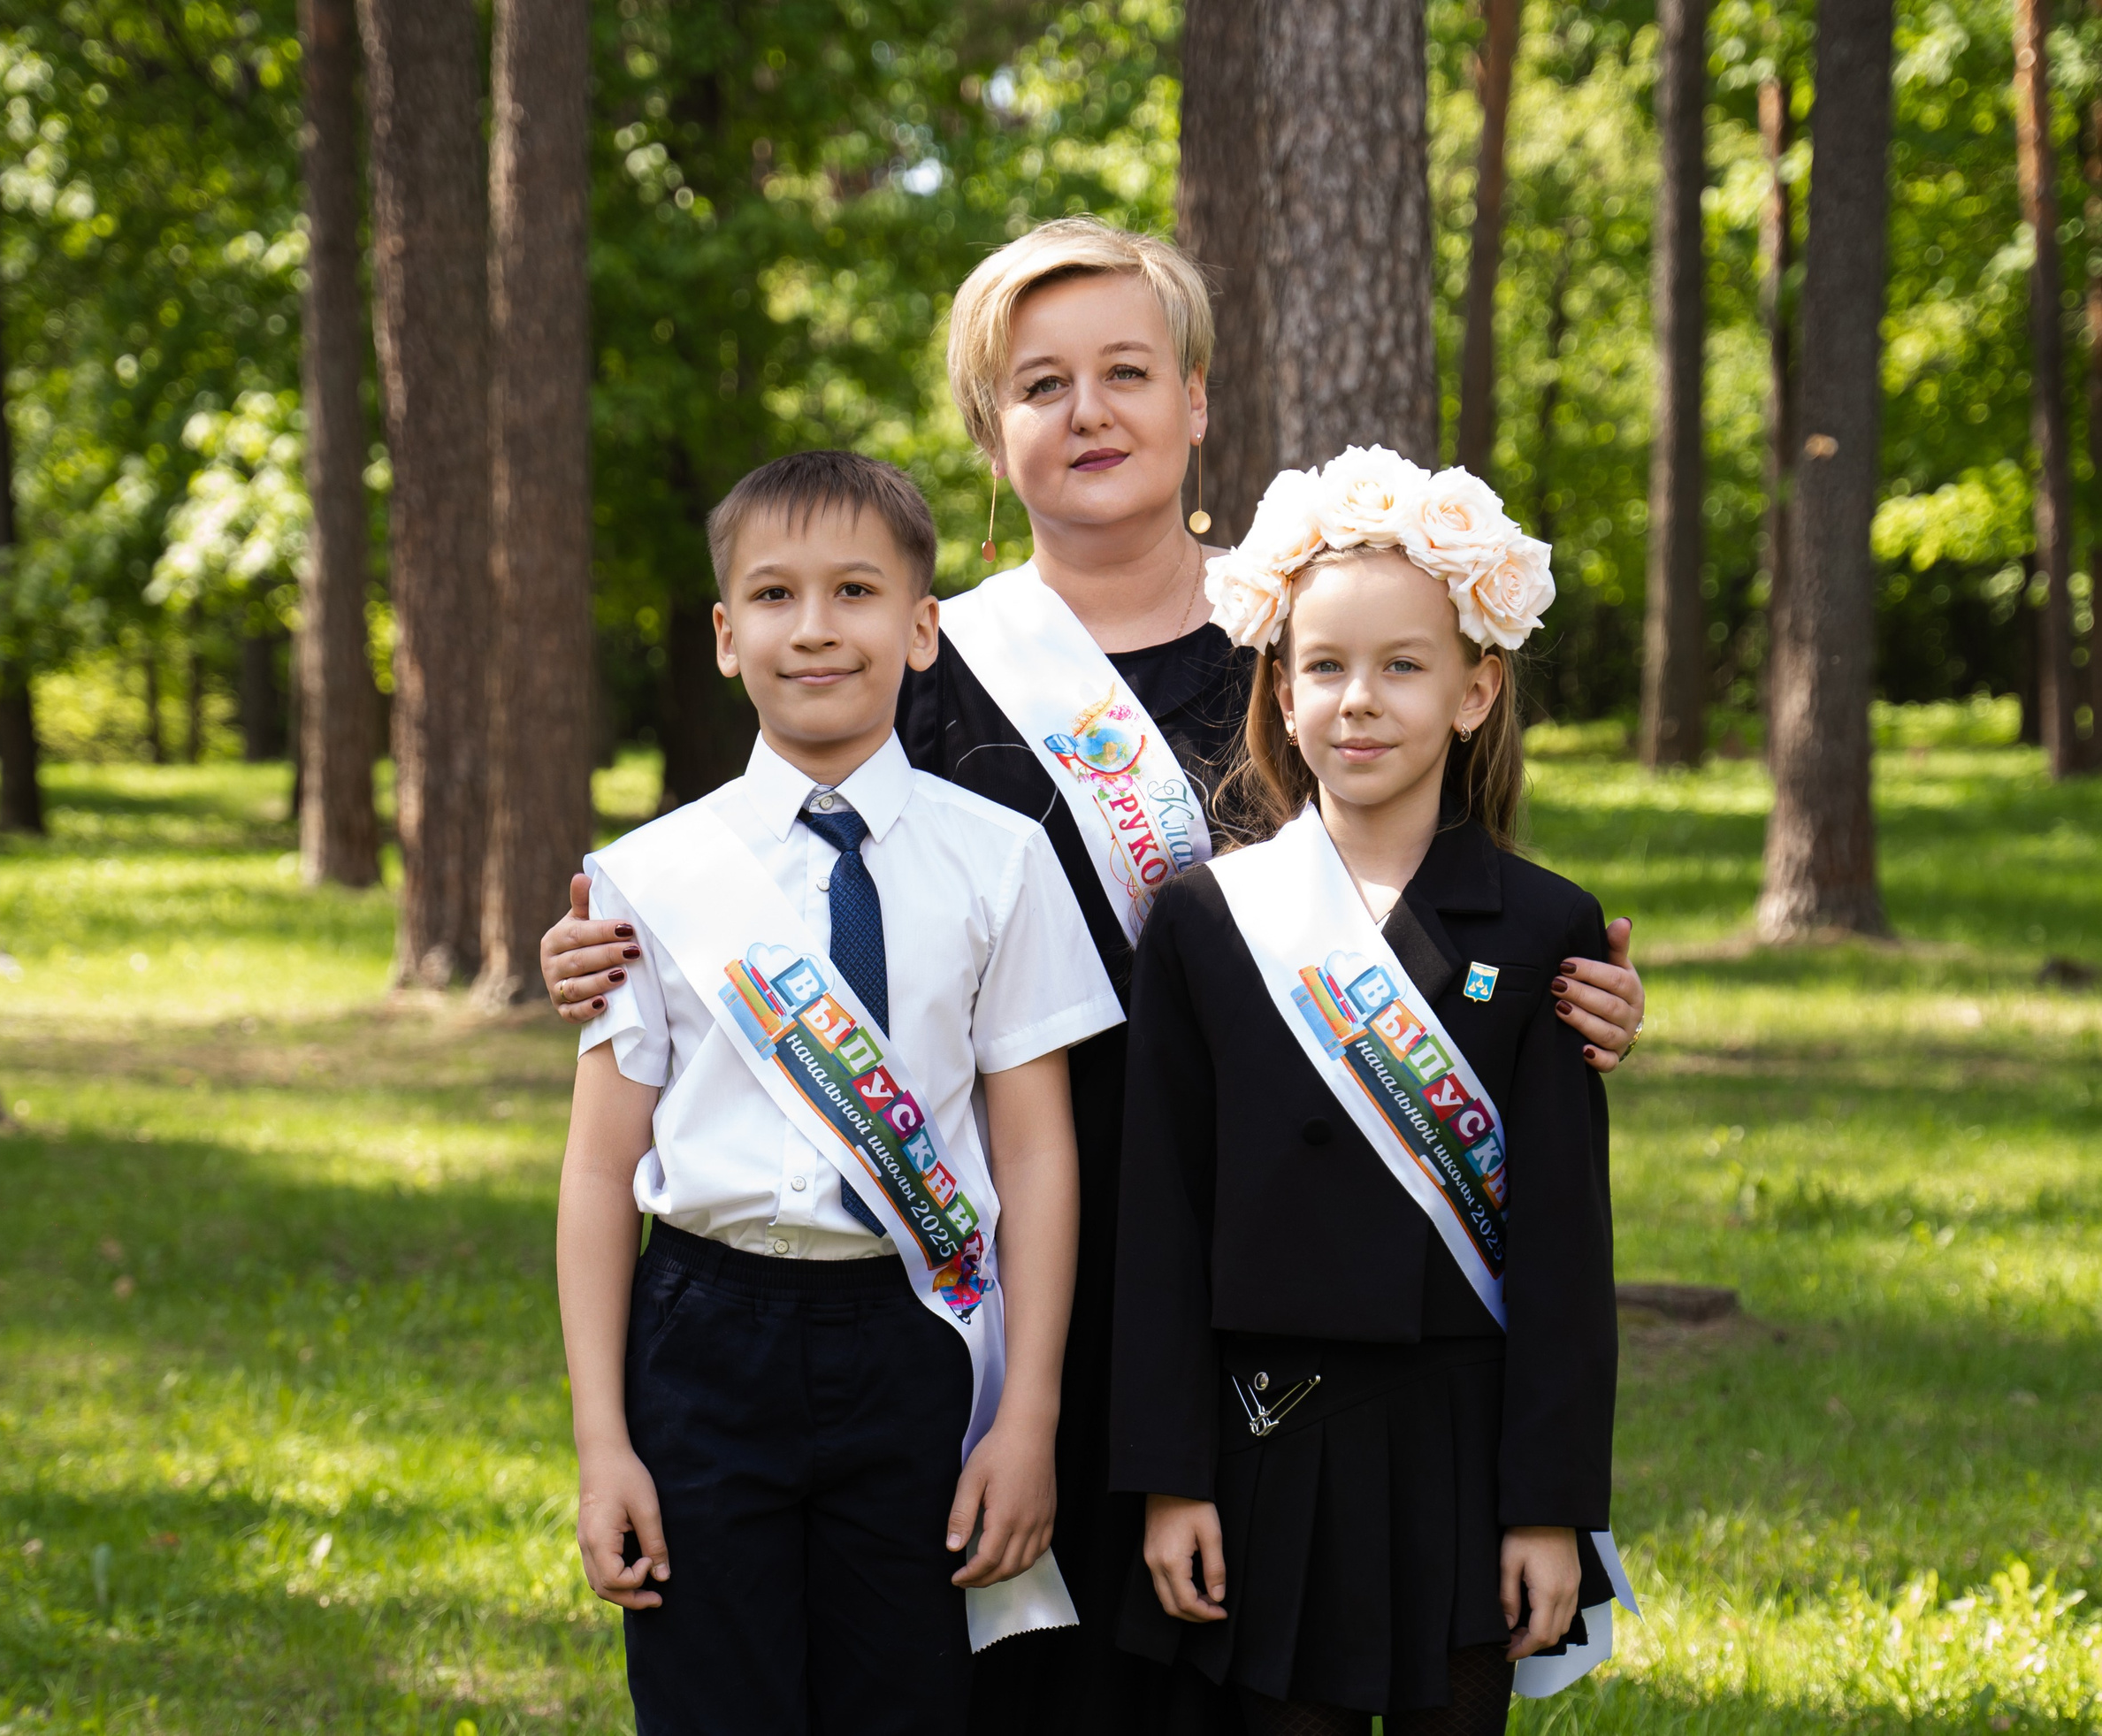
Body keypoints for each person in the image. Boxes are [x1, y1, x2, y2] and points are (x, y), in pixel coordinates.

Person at [542, 218, 1648, 1731]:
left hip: (1257, 1263)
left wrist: (1581, 997)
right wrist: (607, 951)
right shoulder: (933, 664)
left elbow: (1449, 914)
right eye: (1039, 383)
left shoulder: (1308, 641)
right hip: (994, 1263)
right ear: (993, 436)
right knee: (1003, 1667)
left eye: (1127, 371)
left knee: (1224, 1670)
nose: (1089, 413)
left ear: (1198, 400)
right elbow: (789, 880)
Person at [554, 450, 1122, 1736]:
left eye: (857, 590)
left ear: (922, 629)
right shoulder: (651, 875)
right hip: (703, 1338)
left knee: (910, 1701)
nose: (815, 628)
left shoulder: (1002, 861)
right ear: (723, 633)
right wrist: (605, 1445)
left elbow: (1037, 1156)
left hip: (915, 1340)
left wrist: (1026, 1414)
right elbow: (598, 1173)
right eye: (774, 595)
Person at [1113, 447, 1624, 1735]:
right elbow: (1159, 1224)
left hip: (1464, 1444)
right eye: (1326, 667)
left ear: (1475, 691)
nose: (1360, 700)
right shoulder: (1207, 922)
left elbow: (1567, 1244)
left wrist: (1550, 1506)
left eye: (1404, 666)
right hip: (1265, 1442)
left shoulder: (1543, 921)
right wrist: (1171, 1481)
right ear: (1280, 695)